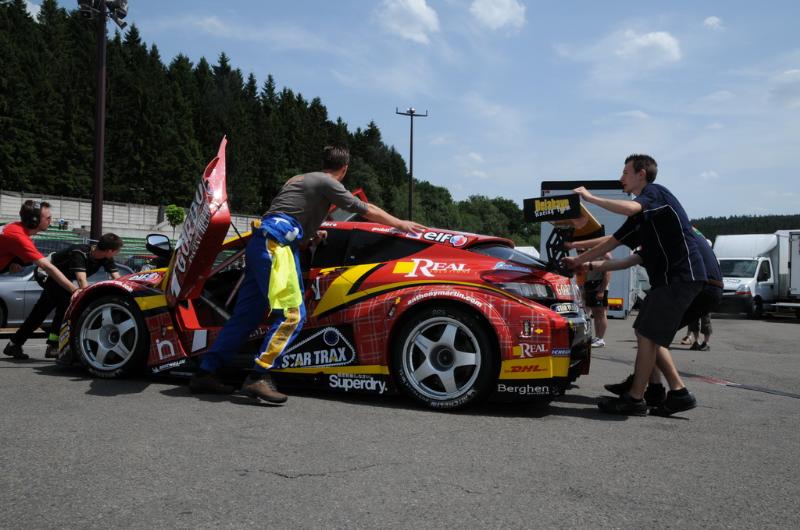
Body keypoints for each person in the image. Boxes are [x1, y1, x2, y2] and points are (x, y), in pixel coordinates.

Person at [189, 146, 426, 404]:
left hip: (263, 243)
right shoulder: (328, 182)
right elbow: (364, 208)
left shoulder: (298, 179)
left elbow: (288, 216)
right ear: (344, 168)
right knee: (292, 315)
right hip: (277, 246)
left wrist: (311, 234)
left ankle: (205, 372)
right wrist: (401, 224)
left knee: (245, 317)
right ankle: (259, 375)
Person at [564, 154, 708, 416]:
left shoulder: (655, 193)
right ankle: (675, 393)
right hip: (670, 280)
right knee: (645, 333)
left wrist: (590, 198)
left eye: (625, 172)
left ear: (641, 174)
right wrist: (579, 259)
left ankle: (636, 398)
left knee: (647, 335)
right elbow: (611, 242)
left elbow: (630, 209)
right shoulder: (641, 217)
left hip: (681, 276)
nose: (621, 178)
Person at [5, 233, 124, 360]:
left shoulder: (106, 258)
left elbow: (118, 279)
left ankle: (14, 344)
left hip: (63, 280)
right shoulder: (79, 252)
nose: (118, 253)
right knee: (65, 305)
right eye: (117, 250)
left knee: (40, 312)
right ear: (110, 250)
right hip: (46, 274)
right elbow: (81, 281)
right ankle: (53, 346)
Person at [1, 201, 80, 360]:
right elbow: (47, 267)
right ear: (34, 221)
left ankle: (16, 344)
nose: (51, 220)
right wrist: (75, 290)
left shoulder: (15, 229)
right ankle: (51, 344)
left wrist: (9, 263)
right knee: (57, 302)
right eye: (48, 218)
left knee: (41, 310)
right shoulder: (19, 237)